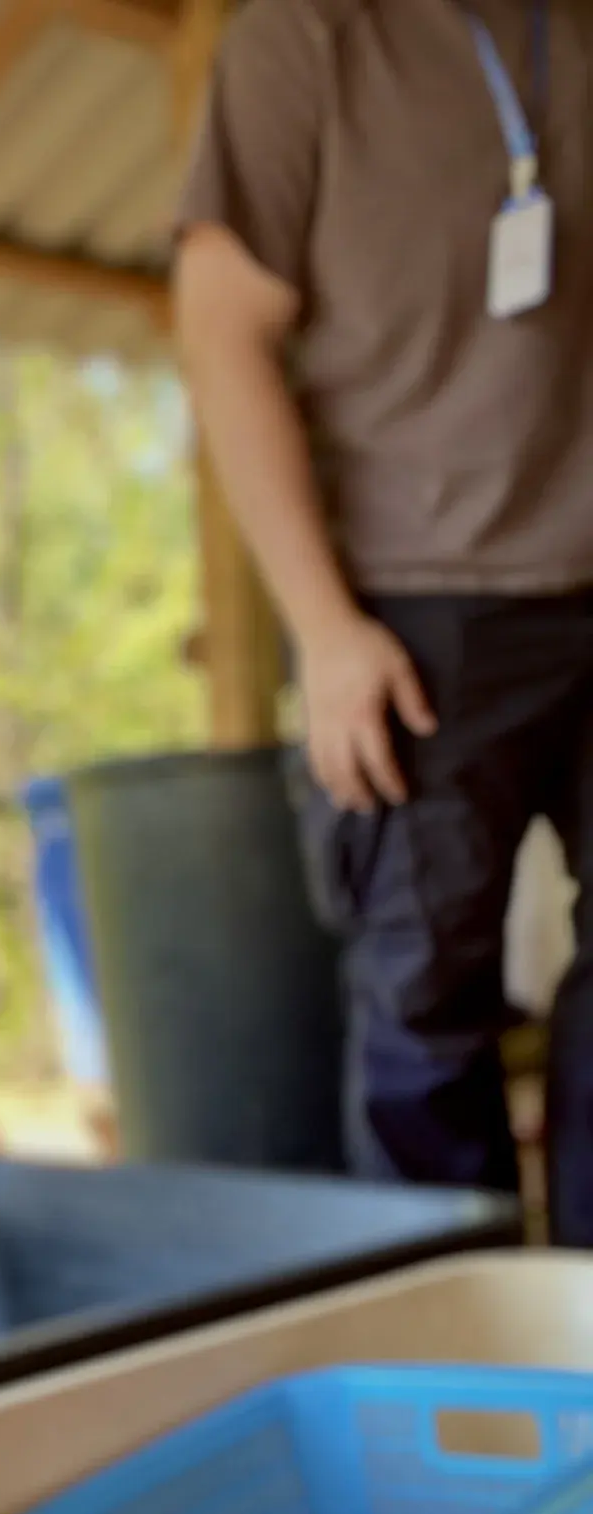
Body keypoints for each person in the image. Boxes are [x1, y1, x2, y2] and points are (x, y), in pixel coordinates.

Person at [174, 0, 593, 1238]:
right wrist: (325, 624)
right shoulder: (303, 40)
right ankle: (454, 1376)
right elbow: (221, 331)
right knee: (424, 1010)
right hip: (409, 609)